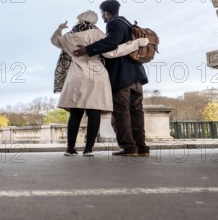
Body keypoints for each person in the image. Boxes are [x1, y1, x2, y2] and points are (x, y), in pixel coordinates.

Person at [51, 10, 147, 157]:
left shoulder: (67, 37)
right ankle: (88, 149)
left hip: (75, 77)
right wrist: (136, 44)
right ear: (93, 22)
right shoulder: (97, 33)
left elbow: (54, 40)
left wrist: (59, 28)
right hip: (96, 76)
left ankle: (70, 149)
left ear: (79, 20)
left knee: (75, 113)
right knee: (94, 111)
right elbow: (111, 52)